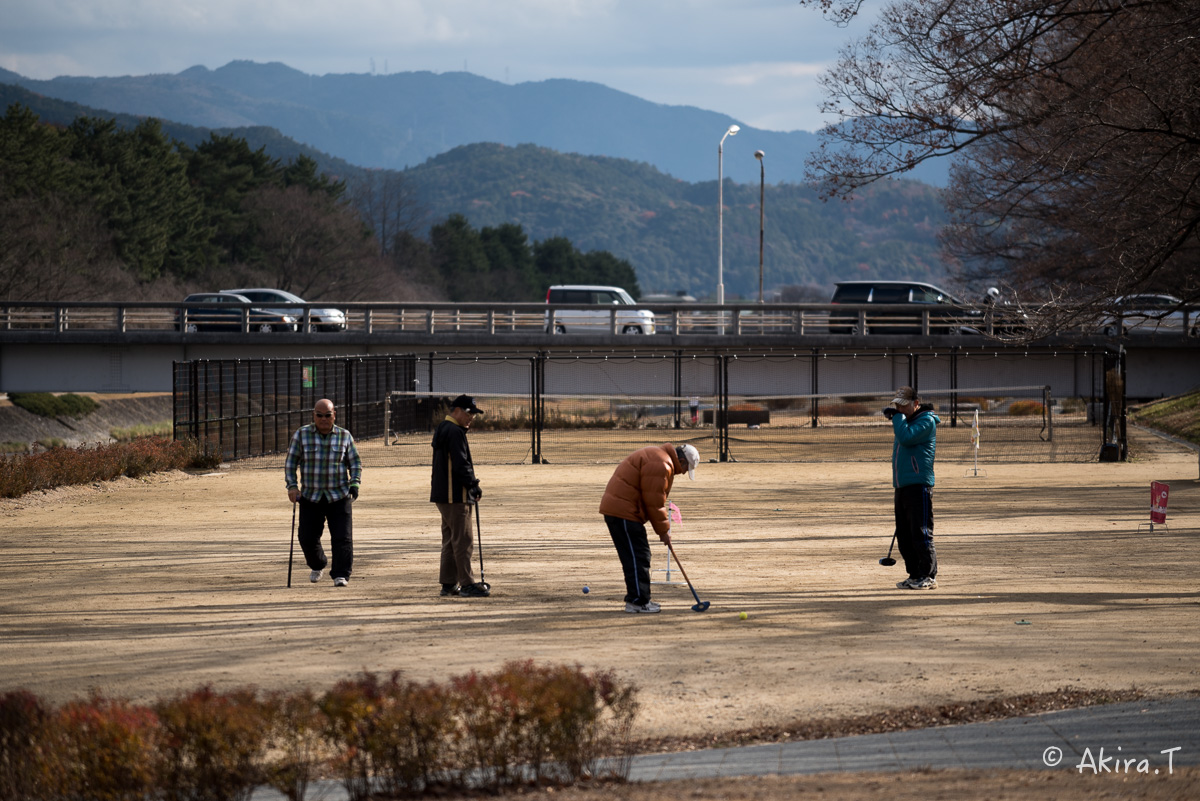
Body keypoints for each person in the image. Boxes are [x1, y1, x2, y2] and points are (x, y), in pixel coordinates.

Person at [599, 443, 699, 613]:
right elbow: (654, 502)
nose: (682, 472)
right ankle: (638, 602)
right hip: (623, 512)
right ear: (681, 460)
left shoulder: (659, 457)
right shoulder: (661, 464)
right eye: (685, 468)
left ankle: (638, 599)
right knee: (638, 557)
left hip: (623, 510)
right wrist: (663, 531)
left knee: (637, 556)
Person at [285, 399, 362, 588]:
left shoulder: (345, 436)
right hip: (311, 496)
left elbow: (355, 463)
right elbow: (291, 462)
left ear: (334, 414)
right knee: (306, 537)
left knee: (342, 537)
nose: (324, 419)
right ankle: (318, 564)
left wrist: (355, 483)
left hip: (339, 495)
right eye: (319, 415)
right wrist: (292, 486)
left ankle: (341, 574)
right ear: (314, 415)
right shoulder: (301, 435)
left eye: (328, 415)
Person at [430, 394, 490, 598]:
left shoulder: (444, 428)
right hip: (454, 495)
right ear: (456, 410)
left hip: (443, 495)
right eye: (469, 412)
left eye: (474, 413)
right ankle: (466, 584)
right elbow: (460, 463)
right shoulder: (455, 431)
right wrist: (473, 485)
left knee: (450, 540)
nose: (472, 416)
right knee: (463, 540)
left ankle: (448, 584)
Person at [883, 386, 940, 589]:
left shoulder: (926, 421)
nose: (900, 408)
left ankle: (928, 575)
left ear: (916, 403)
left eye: (903, 404)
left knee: (920, 532)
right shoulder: (906, 421)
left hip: (918, 484)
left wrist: (897, 418)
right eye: (897, 404)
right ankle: (915, 574)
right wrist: (900, 418)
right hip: (903, 484)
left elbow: (906, 439)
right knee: (904, 534)